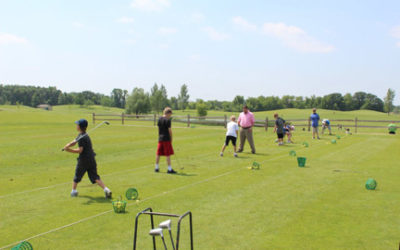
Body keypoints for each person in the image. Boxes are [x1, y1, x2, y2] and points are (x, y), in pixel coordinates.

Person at [63, 119, 112, 198]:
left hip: (84, 160)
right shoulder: (82, 135)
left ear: (79, 127)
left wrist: (69, 150)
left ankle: (73, 191)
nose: (76, 126)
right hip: (91, 158)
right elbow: (75, 141)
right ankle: (106, 190)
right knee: (94, 176)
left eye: (77, 125)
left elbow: (80, 150)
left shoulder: (82, 138)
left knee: (77, 175)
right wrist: (68, 145)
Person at [155, 107, 177, 174]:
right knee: (167, 154)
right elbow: (170, 131)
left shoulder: (159, 119)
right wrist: (171, 138)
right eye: (170, 115)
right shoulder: (168, 120)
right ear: (168, 113)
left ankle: (156, 168)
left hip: (160, 138)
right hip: (166, 139)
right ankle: (169, 169)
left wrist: (159, 136)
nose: (170, 116)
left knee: (158, 153)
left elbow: (158, 130)